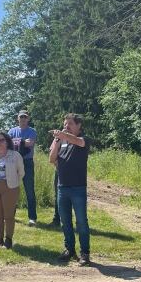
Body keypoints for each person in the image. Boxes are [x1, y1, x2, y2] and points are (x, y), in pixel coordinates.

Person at [49, 113, 91, 265]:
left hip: (78, 188)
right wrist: (57, 140)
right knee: (65, 221)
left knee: (81, 222)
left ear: (79, 125)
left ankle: (85, 253)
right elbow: (51, 159)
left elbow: (78, 142)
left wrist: (63, 135)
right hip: (62, 187)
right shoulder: (61, 140)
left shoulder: (84, 140)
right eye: (65, 124)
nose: (66, 126)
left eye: (70, 124)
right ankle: (69, 249)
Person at [0, 131, 25, 249]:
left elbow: (21, 172)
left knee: (8, 216)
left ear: (7, 141)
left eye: (2, 140)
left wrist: (13, 184)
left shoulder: (15, 155)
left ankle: (8, 241)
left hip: (10, 188)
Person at [8, 110, 38, 226]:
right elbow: (7, 144)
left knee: (29, 190)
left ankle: (32, 218)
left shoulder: (32, 131)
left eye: (25, 117)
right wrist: (21, 142)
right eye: (21, 117)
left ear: (28, 118)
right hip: (13, 162)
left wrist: (15, 142)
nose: (23, 119)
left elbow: (30, 143)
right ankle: (11, 215)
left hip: (27, 163)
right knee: (12, 189)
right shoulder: (11, 131)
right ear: (18, 118)